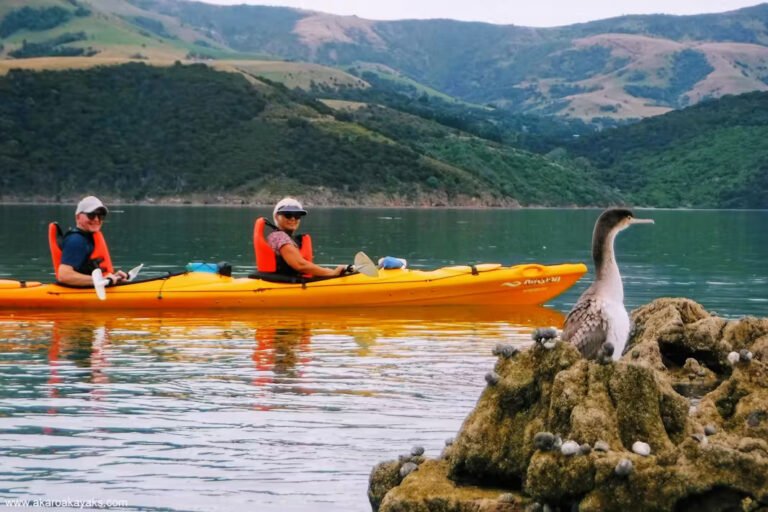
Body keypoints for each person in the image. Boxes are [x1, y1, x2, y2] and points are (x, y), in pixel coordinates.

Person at [265, 197, 347, 278]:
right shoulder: (278, 236)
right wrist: (333, 273)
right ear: (276, 217)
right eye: (288, 215)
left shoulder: (284, 237)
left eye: (297, 216)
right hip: (285, 284)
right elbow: (300, 265)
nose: (293, 218)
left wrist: (329, 271)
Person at [57, 196, 128, 286]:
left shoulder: (88, 238)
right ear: (78, 217)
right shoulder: (76, 241)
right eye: (91, 215)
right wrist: (102, 280)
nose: (96, 219)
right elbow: (64, 276)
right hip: (78, 292)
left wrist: (113, 277)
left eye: (100, 216)